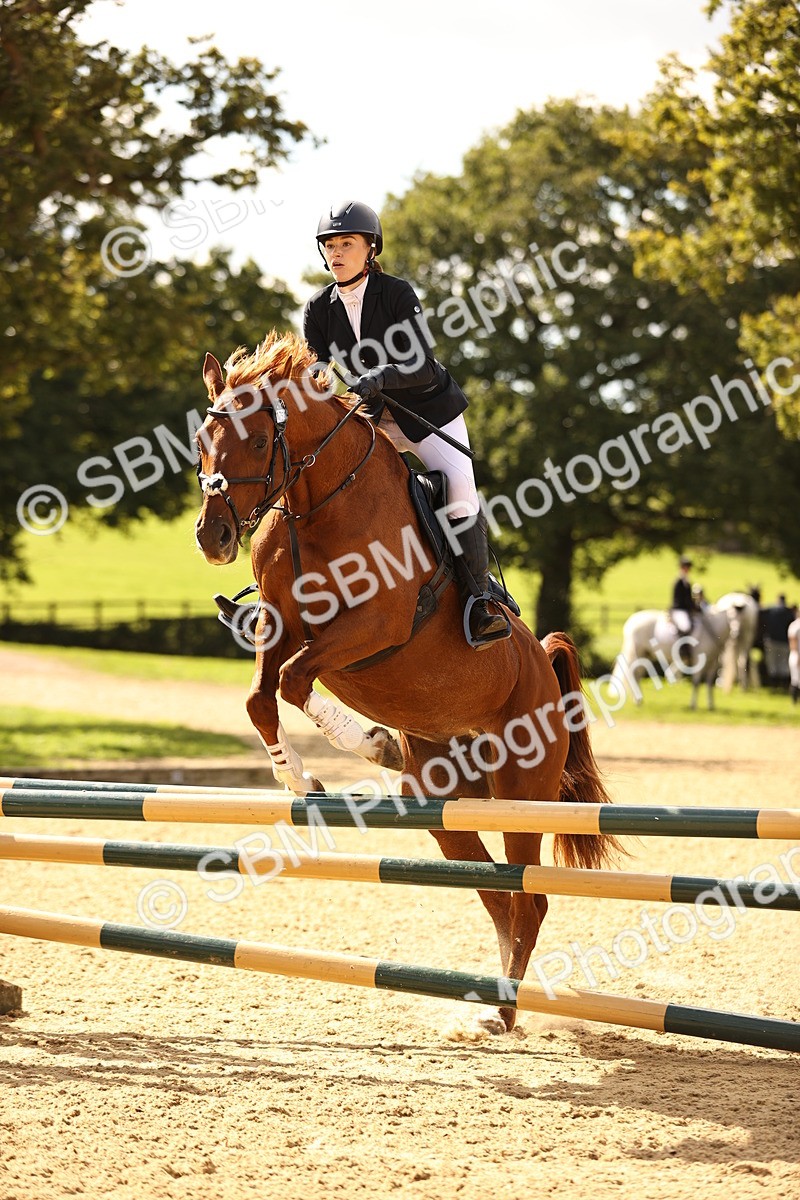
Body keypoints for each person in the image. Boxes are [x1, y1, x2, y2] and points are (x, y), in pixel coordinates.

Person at [302, 200, 511, 649]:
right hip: (371, 418)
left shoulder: (397, 293)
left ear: (370, 248)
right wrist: (315, 374)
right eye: (330, 246)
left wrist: (381, 376)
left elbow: (420, 361)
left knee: (459, 494)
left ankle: (480, 603)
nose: (336, 254)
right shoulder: (318, 308)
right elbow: (315, 360)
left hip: (428, 412)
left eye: (347, 244)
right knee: (321, 481)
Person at [787, 605, 800, 704]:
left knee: (795, 679)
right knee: (796, 679)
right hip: (797, 655)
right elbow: (794, 644)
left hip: (796, 655)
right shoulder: (795, 626)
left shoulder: (794, 626)